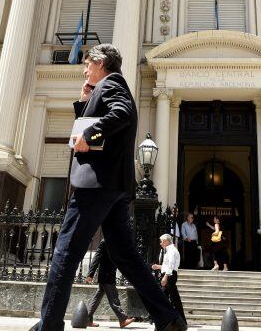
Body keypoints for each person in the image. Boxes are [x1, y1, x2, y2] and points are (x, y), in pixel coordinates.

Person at [33, 44, 184, 331]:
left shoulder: (112, 83)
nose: (84, 69)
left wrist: (89, 133)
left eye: (88, 63)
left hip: (96, 185)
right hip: (113, 186)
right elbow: (107, 117)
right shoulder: (104, 88)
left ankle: (49, 324)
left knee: (65, 252)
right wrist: (84, 103)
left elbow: (122, 113)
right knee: (125, 255)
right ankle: (167, 318)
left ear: (101, 63)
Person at [85, 239, 135, 328]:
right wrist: (90, 274)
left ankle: (87, 319)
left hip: (109, 274)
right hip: (106, 275)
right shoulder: (105, 242)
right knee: (114, 297)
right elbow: (97, 257)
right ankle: (123, 319)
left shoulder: (116, 242)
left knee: (97, 298)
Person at [151, 234, 186, 324]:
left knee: (174, 299)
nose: (160, 243)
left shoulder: (171, 251)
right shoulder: (170, 250)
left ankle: (180, 320)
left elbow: (171, 266)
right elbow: (168, 265)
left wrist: (165, 277)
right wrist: (159, 266)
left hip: (169, 276)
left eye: (161, 241)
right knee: (165, 298)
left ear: (166, 241)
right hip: (169, 275)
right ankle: (165, 319)